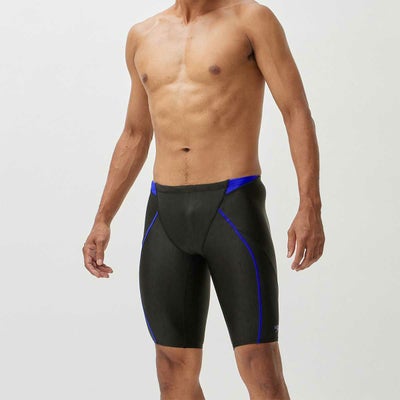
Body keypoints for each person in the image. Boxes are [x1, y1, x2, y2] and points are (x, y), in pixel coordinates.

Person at [82, 0, 325, 398]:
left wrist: (309, 204)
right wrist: (103, 217)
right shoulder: (142, 36)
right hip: (165, 213)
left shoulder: (251, 20)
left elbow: (295, 110)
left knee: (259, 364)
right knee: (172, 368)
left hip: (233, 205)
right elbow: (135, 133)